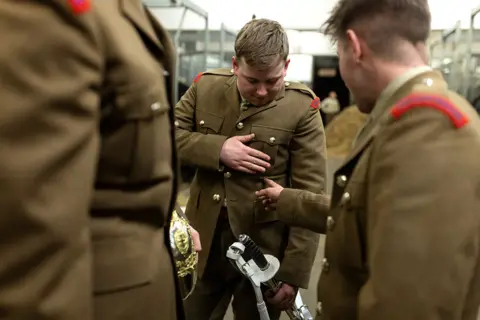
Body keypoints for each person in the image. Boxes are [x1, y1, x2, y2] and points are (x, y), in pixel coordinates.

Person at [256, 0, 480, 319]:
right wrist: (288, 201)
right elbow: (362, 212)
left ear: (355, 48)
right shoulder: (396, 119)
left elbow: (410, 305)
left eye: (340, 55)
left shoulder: (431, 129)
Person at [0, 1, 200, 319]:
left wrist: (173, 215)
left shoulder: (119, 11)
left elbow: (121, 166)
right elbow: (31, 244)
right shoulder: (53, 11)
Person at [175, 18, 327, 320]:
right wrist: (218, 149)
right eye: (251, 80)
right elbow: (167, 137)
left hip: (264, 253)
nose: (260, 91)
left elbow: (309, 193)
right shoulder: (205, 88)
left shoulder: (302, 109)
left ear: (286, 66)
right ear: (235, 65)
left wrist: (293, 273)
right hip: (202, 244)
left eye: (271, 81)